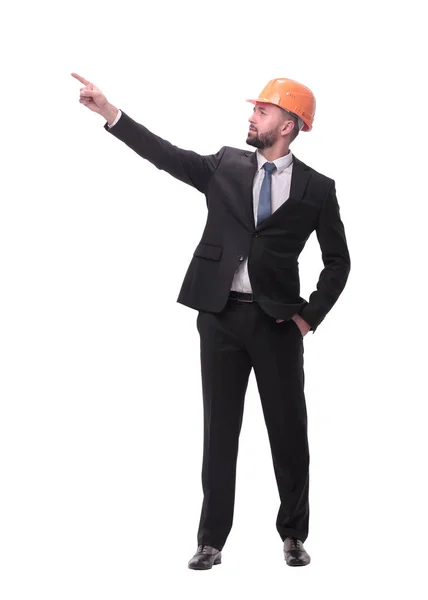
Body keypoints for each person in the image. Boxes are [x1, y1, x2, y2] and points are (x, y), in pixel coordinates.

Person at [72, 73, 351, 569]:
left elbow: (339, 262)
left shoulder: (317, 189)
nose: (251, 116)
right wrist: (112, 114)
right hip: (220, 319)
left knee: (289, 432)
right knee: (219, 431)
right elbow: (168, 156)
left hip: (278, 326)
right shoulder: (225, 165)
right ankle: (211, 541)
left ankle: (293, 534)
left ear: (288, 125)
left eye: (262, 112)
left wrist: (308, 318)